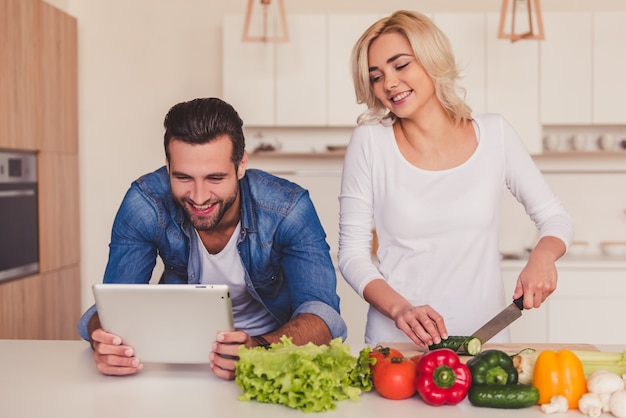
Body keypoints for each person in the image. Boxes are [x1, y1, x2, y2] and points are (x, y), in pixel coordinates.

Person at [338, 10, 574, 348]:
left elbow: (556, 218)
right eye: (376, 75)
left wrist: (543, 256)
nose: (388, 83)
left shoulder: (495, 134)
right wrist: (400, 309)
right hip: (399, 344)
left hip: (486, 341)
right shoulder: (370, 141)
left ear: (431, 60)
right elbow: (351, 255)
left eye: (400, 65)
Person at [78, 97, 346, 380]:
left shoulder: (288, 209)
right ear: (168, 166)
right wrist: (104, 342)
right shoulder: (145, 204)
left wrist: (258, 350)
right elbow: (115, 305)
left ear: (241, 165)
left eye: (215, 178)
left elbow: (322, 313)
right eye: (183, 177)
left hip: (271, 350)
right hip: (178, 355)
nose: (199, 196)